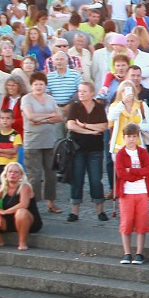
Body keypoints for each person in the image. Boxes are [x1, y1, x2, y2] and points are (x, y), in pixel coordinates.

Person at [66, 82, 109, 222]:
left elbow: (104, 126)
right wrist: (91, 131)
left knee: (96, 180)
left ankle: (100, 211)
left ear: (92, 93)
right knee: (77, 179)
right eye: (79, 91)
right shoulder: (75, 106)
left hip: (95, 150)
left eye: (84, 91)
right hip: (77, 149)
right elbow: (71, 125)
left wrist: (84, 125)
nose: (81, 93)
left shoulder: (99, 107)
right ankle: (74, 212)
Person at [21, 72, 62, 214]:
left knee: (51, 174)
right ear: (31, 85)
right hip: (33, 142)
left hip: (50, 141)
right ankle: (33, 205)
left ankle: (51, 202)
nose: (39, 86)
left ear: (45, 85)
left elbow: (59, 117)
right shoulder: (26, 99)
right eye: (36, 84)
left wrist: (42, 120)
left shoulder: (50, 99)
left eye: (41, 84)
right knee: (35, 176)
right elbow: (31, 117)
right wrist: (50, 116)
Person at [113, 124, 149, 264]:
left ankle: (139, 253)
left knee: (142, 222)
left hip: (142, 191)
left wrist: (132, 171)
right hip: (127, 192)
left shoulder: (142, 152)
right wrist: (137, 174)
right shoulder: (120, 154)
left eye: (134, 136)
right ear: (124, 138)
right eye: (129, 137)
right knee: (126, 222)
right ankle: (127, 253)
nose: (131, 139)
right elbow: (121, 174)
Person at [0, 162, 39, 250]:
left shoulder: (25, 186)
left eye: (16, 172)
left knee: (21, 212)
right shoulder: (2, 187)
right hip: (8, 221)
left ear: (21, 175)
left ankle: (22, 242)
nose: (12, 174)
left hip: (27, 221)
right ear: (5, 174)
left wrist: (4, 212)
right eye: (10, 171)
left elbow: (23, 204)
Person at [0, 109, 20, 185]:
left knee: (11, 184)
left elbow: (14, 150)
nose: (5, 120)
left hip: (11, 165)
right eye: (2, 118)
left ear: (13, 120)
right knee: (0, 184)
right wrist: (5, 154)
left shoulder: (16, 135)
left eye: (8, 118)